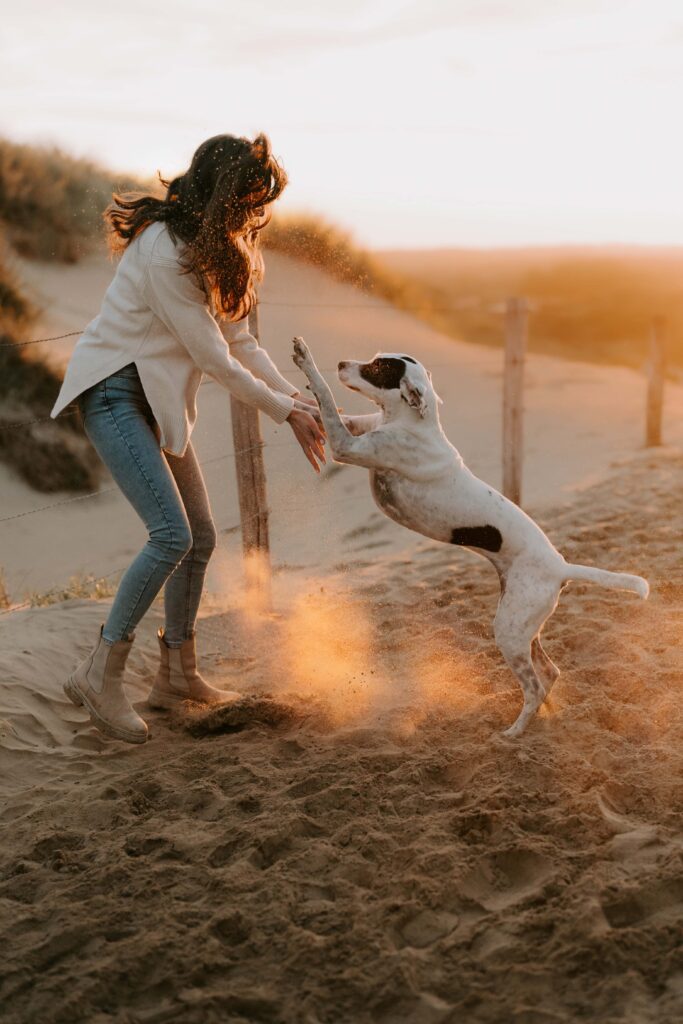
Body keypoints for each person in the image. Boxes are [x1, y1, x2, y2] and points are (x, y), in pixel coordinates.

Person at [50, 133, 325, 745]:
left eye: (260, 201)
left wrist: (297, 399)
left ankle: (177, 676)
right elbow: (214, 359)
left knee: (199, 536)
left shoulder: (209, 245)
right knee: (170, 535)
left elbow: (241, 340)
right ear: (220, 191)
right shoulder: (163, 250)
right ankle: (98, 672)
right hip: (115, 392)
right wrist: (285, 412)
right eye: (248, 199)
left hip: (155, 398)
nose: (255, 214)